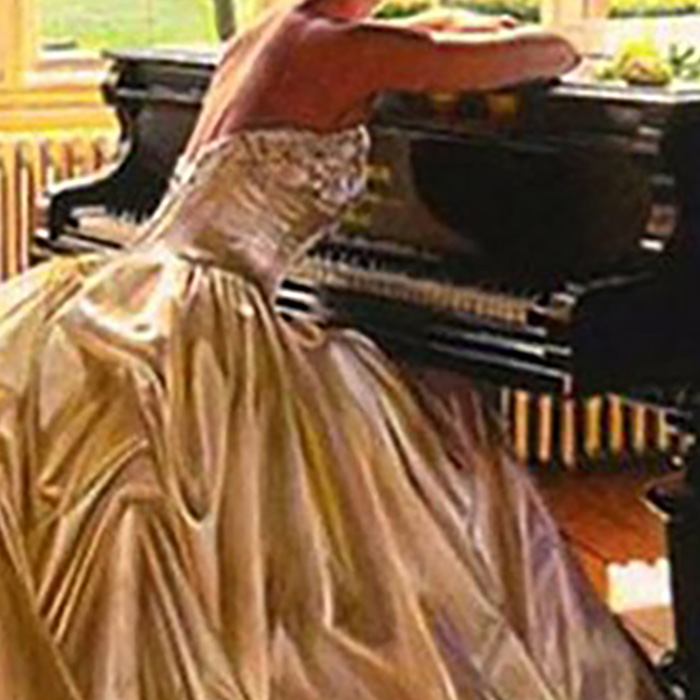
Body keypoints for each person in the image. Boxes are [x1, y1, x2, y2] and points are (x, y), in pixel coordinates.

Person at [0, 1, 666, 698]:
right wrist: (536, 34)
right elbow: (549, 53)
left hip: (150, 278)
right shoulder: (348, 51)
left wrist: (439, 28)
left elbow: (407, 43)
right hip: (211, 312)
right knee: (434, 430)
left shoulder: (271, 35)